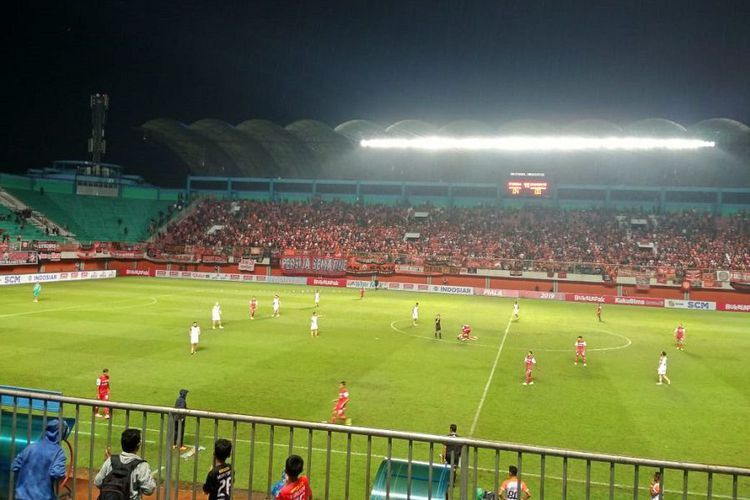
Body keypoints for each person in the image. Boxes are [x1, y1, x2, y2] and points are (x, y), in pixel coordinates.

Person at [11, 418, 68, 500]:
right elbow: (57, 473)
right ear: (63, 434)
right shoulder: (58, 452)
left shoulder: (31, 447)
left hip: (21, 496)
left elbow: (15, 466)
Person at [94, 428, 156, 500]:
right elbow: (149, 490)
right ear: (138, 445)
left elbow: (98, 482)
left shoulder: (110, 460)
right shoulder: (141, 466)